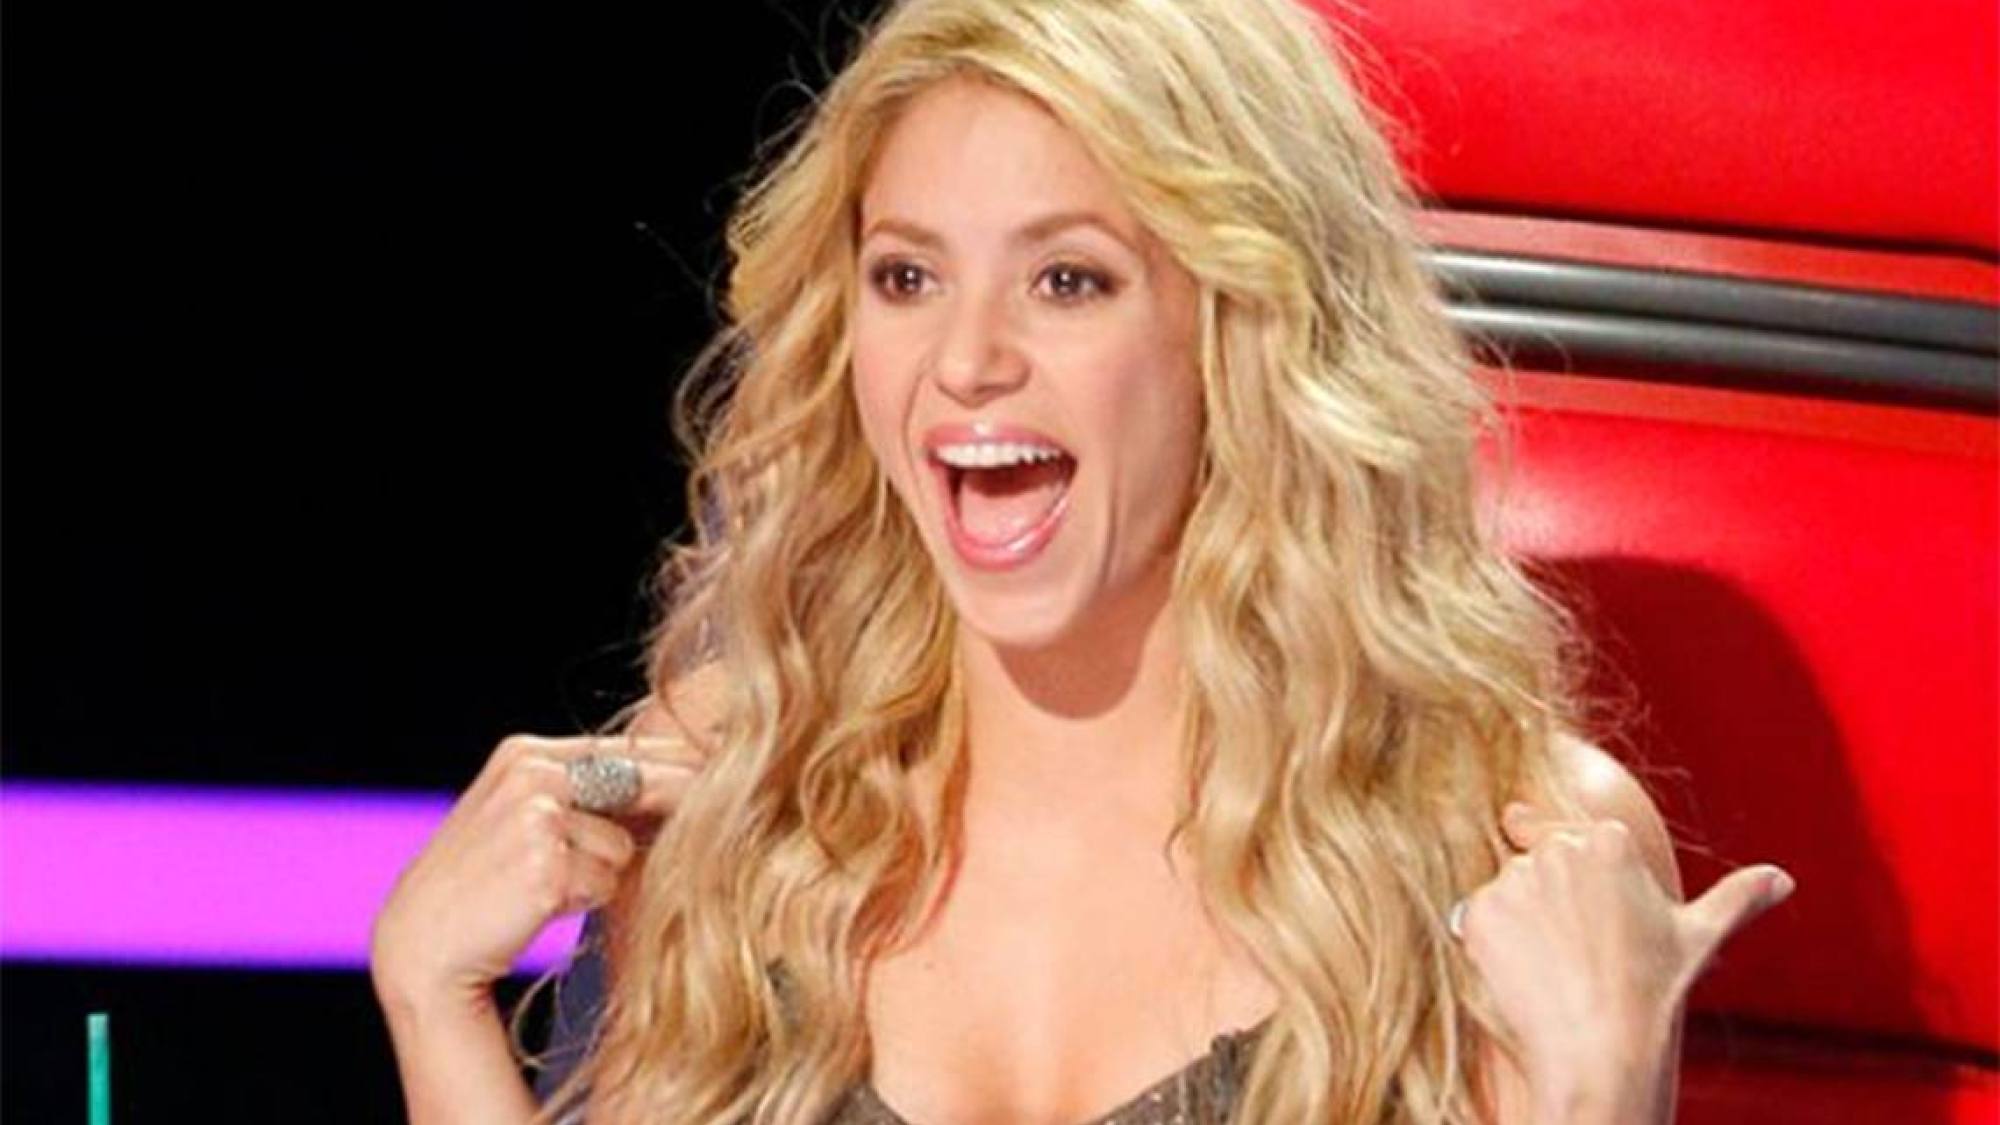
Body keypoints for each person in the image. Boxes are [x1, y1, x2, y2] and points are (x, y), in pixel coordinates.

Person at [369, 0, 1798, 1121]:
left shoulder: (1499, 841)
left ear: (1242, 329)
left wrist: (1600, 1092)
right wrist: (434, 1001)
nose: (967, 360)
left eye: (1068, 279)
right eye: (907, 276)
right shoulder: (737, 778)